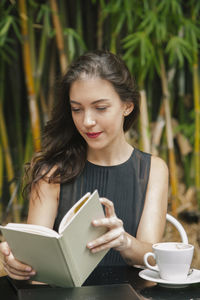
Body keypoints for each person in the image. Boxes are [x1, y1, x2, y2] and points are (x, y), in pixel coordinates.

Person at [0, 50, 168, 281]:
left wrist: (124, 241)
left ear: (127, 106)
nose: (87, 121)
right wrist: (16, 263)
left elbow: (152, 255)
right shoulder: (51, 173)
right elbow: (35, 266)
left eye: (100, 108)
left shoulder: (153, 169)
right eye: (77, 109)